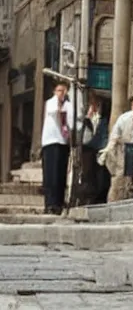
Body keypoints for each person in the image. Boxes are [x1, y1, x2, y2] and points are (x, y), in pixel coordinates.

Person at [97, 95, 133, 202]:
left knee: (131, 177)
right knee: (119, 175)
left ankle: (129, 195)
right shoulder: (124, 118)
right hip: (124, 148)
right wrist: (109, 148)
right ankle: (115, 198)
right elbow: (115, 134)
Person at [41, 81, 73, 215]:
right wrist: (59, 100)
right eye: (59, 90)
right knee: (50, 174)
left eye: (64, 91)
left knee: (60, 174)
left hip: (62, 142)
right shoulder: (51, 102)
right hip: (50, 141)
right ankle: (50, 203)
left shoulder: (69, 105)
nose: (62, 93)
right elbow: (55, 111)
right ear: (55, 91)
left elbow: (71, 121)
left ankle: (59, 202)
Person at [82, 96, 111, 204]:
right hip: (89, 151)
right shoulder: (88, 119)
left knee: (99, 177)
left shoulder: (103, 121)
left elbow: (101, 136)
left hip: (98, 150)